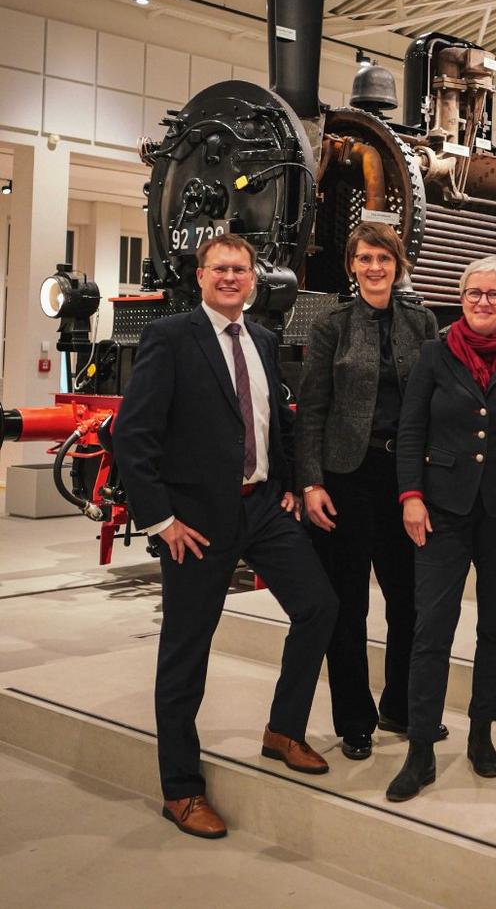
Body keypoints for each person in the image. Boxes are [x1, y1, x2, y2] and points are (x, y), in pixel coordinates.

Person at [114, 233, 338, 840]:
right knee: (185, 654)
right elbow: (133, 436)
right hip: (197, 524)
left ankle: (283, 730)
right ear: (201, 275)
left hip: (261, 507)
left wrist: (287, 481)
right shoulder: (171, 337)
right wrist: (162, 520)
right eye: (220, 269)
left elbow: (271, 421)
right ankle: (180, 789)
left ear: (254, 280)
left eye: (241, 269)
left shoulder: (262, 339)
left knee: (319, 607)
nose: (231, 278)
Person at [385, 256, 496, 801]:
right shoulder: (434, 354)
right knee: (431, 629)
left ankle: (482, 733)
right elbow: (411, 430)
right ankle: (420, 750)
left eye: (494, 294)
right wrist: (411, 496)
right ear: (461, 300)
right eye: (474, 293)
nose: (483, 301)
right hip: (441, 510)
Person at [295, 222, 441, 761]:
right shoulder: (332, 324)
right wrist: (310, 481)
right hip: (345, 480)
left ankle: (401, 705)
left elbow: (434, 403)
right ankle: (355, 719)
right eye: (365, 258)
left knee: (408, 601)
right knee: (347, 604)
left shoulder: (423, 322)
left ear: (398, 264)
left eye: (384, 258)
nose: (375, 267)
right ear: (352, 266)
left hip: (405, 481)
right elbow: (312, 409)